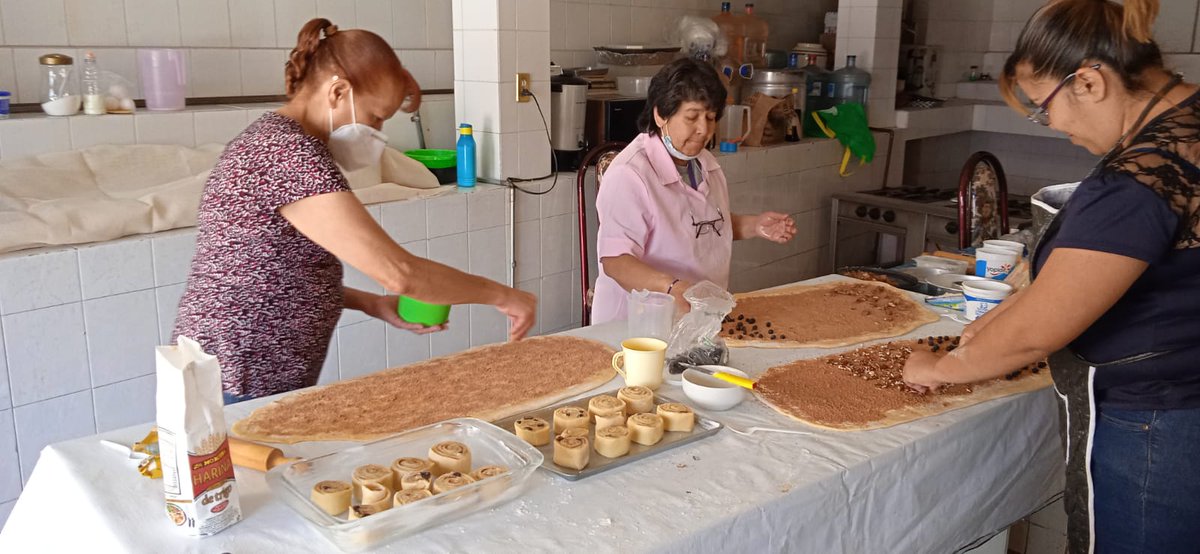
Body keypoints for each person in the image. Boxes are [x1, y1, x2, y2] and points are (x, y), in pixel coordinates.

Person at [901, 1, 1200, 552]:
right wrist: (1001, 318)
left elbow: (1043, 330)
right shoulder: (1187, 124)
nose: (1053, 126)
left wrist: (943, 368)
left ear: (1088, 82)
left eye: (1044, 108)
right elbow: (1081, 281)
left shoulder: (1141, 180)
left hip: (1159, 423)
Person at [173, 19, 536, 403]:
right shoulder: (289, 154)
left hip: (246, 370)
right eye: (376, 116)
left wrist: (372, 304)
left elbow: (274, 269)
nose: (379, 132)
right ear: (338, 91)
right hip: (237, 373)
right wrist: (503, 296)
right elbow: (401, 274)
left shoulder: (282, 141)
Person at [591, 58, 797, 324]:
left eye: (711, 118)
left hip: (697, 319)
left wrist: (754, 225)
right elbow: (616, 261)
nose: (704, 130)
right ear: (661, 115)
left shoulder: (703, 162)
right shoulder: (629, 174)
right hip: (637, 325)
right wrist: (672, 288)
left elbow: (703, 223)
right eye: (692, 117)